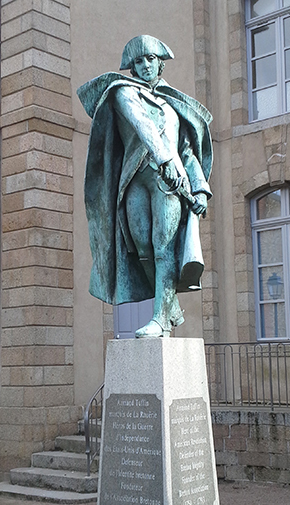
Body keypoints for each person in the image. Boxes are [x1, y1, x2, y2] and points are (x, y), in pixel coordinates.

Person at [77, 35, 213, 338]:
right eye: (140, 60)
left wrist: (200, 188)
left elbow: (188, 152)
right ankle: (168, 303)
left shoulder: (172, 106)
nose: (146, 65)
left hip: (170, 185)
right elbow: (141, 124)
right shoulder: (123, 92)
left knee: (163, 246)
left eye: (151, 59)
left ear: (160, 63)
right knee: (141, 247)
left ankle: (160, 319)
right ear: (132, 66)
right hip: (135, 180)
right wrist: (164, 158)